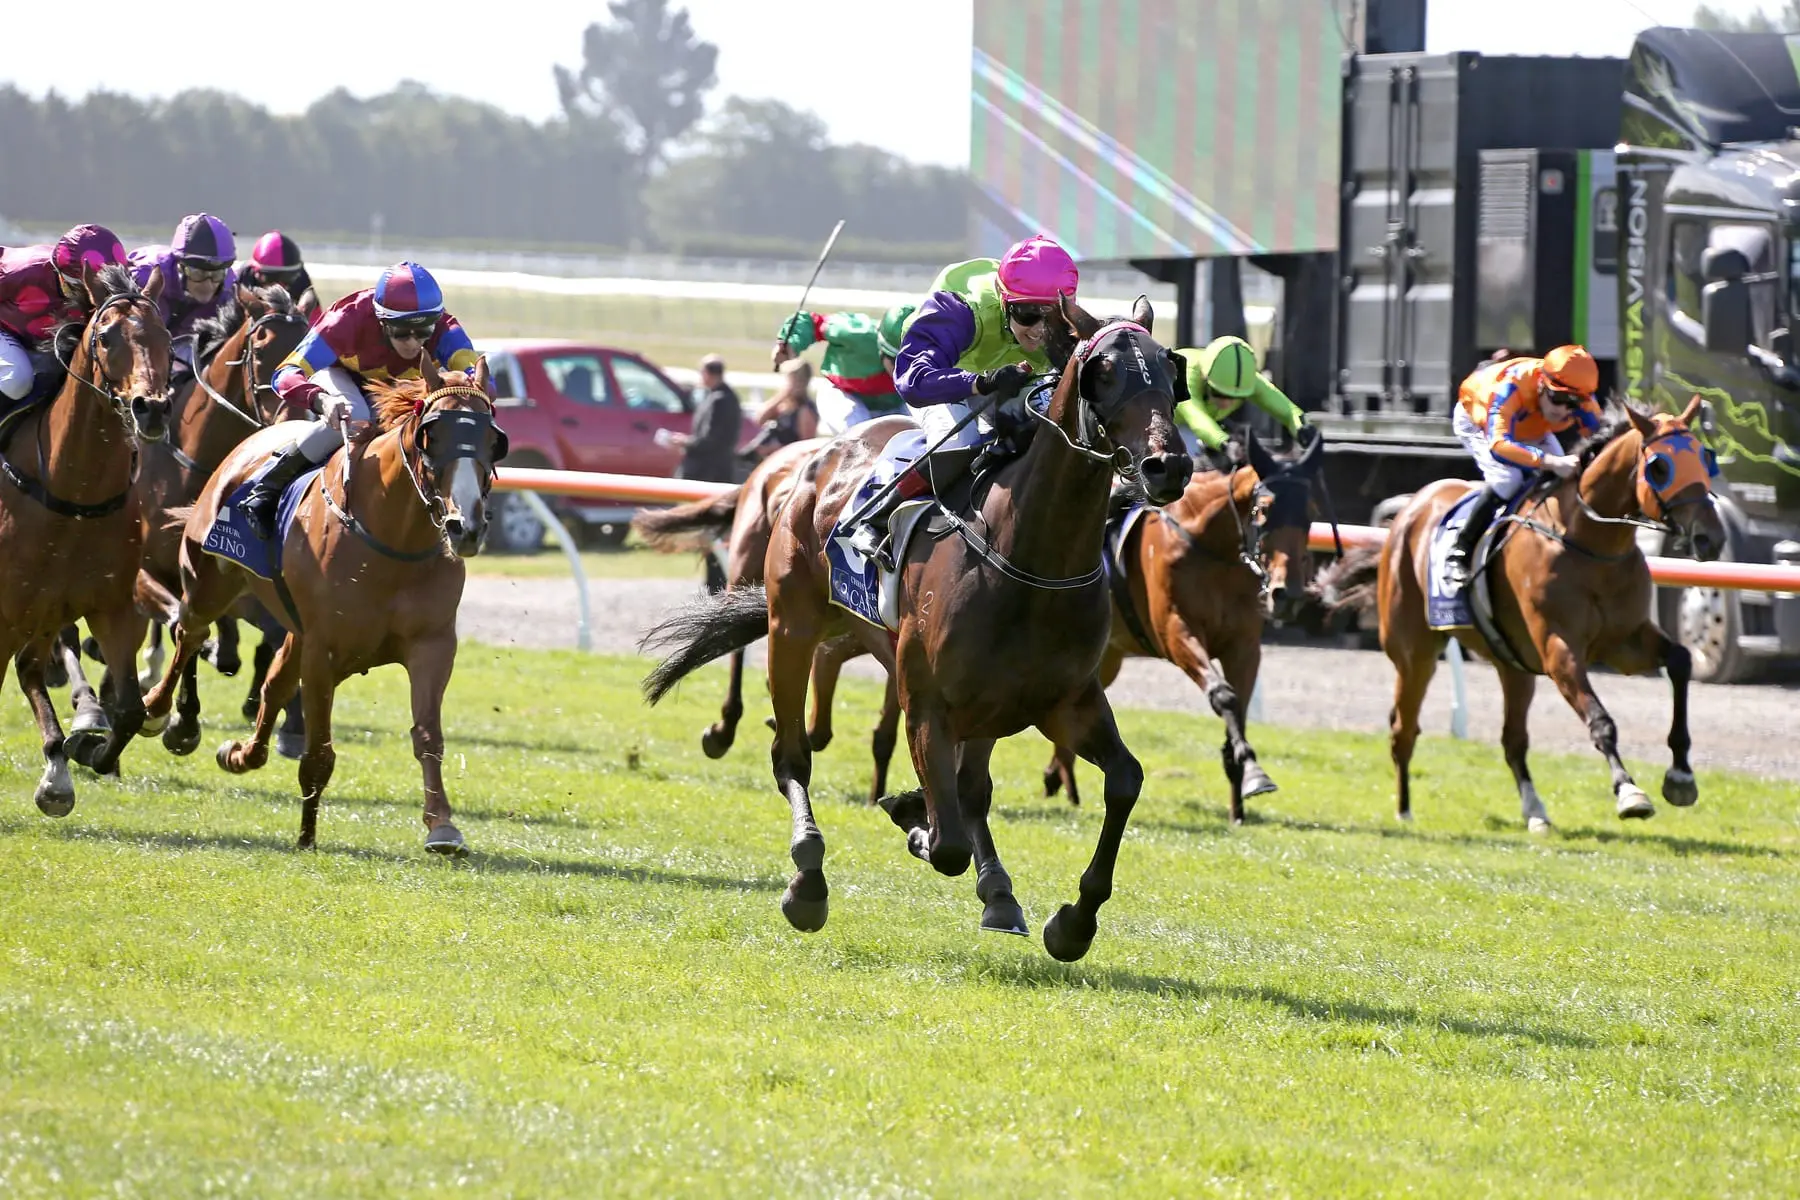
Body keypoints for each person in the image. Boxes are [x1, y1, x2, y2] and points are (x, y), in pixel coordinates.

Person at [846, 234, 1076, 563]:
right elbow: (913, 381)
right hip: (944, 380)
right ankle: (879, 517)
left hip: (1013, 381)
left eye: (1051, 315)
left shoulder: (1068, 322)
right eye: (1027, 314)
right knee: (960, 440)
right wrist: (980, 383)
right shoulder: (960, 308)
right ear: (1002, 297)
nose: (1040, 328)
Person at [239, 261, 481, 539]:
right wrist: (321, 401)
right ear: (381, 320)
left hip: (398, 387)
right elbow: (284, 375)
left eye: (423, 331)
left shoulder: (446, 329)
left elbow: (482, 379)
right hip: (341, 378)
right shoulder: (346, 319)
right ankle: (267, 487)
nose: (413, 342)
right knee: (357, 415)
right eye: (401, 331)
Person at [1443, 344, 1604, 586]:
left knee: (1566, 479)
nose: (1564, 410)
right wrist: (1550, 461)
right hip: (1480, 421)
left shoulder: (1580, 401)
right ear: (1541, 384)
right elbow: (1499, 445)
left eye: (1574, 404)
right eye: (1559, 399)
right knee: (1508, 480)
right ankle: (1459, 552)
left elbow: (1605, 441)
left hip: (1531, 423)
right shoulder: (1509, 389)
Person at [0, 224, 130, 412]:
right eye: (78, 288)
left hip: (41, 341)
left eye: (99, 291)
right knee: (17, 379)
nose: (88, 298)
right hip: (5, 330)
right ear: (59, 273)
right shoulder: (21, 271)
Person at [771, 301, 916, 433]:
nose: (903, 370)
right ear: (881, 348)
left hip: (891, 403)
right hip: (842, 393)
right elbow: (812, 322)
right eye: (896, 361)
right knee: (863, 435)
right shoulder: (856, 333)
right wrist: (789, 342)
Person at [129, 213, 238, 384]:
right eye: (198, 273)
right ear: (179, 265)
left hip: (182, 350)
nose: (208, 284)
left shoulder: (229, 291)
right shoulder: (143, 275)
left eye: (216, 274)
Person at [1173, 335, 1308, 458]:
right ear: (1204, 376)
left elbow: (1287, 409)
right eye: (1218, 393)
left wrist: (1302, 428)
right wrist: (1225, 443)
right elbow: (1196, 418)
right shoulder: (1184, 372)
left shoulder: (1248, 380)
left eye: (1236, 398)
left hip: (1203, 428)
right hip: (1165, 424)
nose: (1226, 403)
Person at [666, 353, 741, 483]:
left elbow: (711, 440)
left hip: (709, 470)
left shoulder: (721, 400)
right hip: (709, 467)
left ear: (707, 373)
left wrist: (685, 442)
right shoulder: (717, 396)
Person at [739, 359, 819, 463]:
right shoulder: (784, 404)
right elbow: (760, 419)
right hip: (772, 460)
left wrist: (776, 448)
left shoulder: (805, 410)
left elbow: (806, 447)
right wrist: (782, 395)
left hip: (789, 463)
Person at [240, 230, 321, 322]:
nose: (280, 287)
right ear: (256, 273)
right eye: (272, 278)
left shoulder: (301, 281)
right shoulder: (239, 280)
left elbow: (316, 328)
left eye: (288, 278)